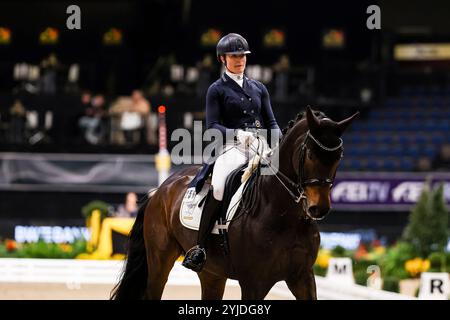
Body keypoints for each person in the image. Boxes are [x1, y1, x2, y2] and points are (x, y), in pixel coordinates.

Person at [182, 33, 282, 272]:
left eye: (243, 56)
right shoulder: (216, 90)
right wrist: (237, 134)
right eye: (234, 56)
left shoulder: (259, 88)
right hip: (231, 146)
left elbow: (271, 122)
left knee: (283, 178)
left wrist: (279, 141)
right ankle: (201, 247)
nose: (240, 60)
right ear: (222, 59)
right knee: (218, 185)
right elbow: (213, 126)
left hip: (260, 145)